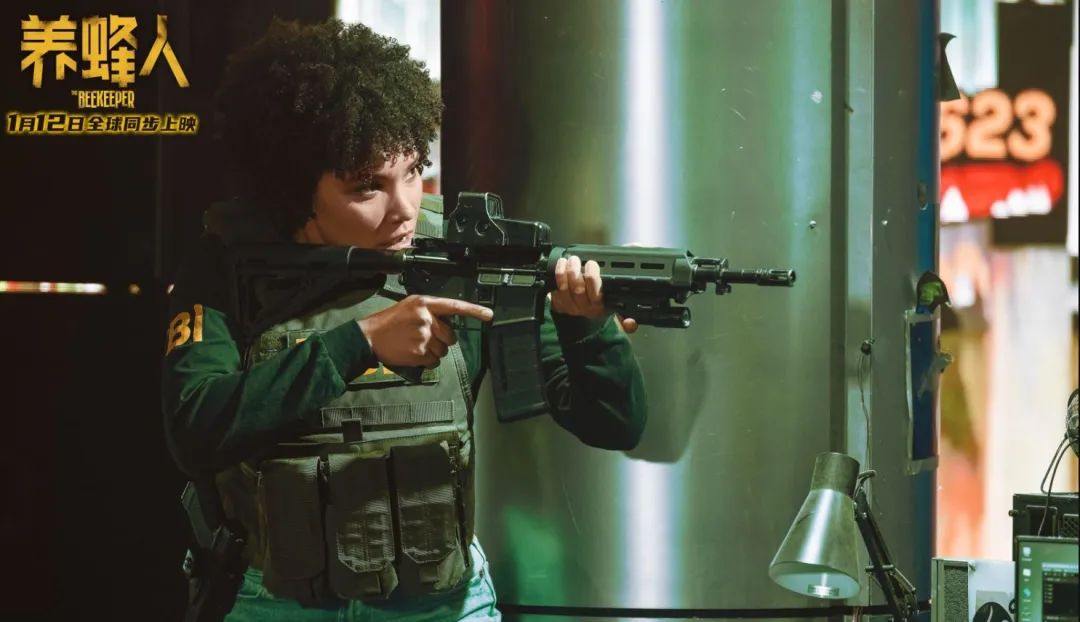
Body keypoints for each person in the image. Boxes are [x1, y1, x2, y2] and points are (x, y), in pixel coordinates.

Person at [162, 18, 646, 622]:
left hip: (440, 602)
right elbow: (195, 428)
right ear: (292, 188)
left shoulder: (462, 255)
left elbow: (613, 425)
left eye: (414, 170)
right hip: (274, 599)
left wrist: (588, 328)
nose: (406, 209)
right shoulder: (231, 262)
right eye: (368, 186)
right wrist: (360, 343)